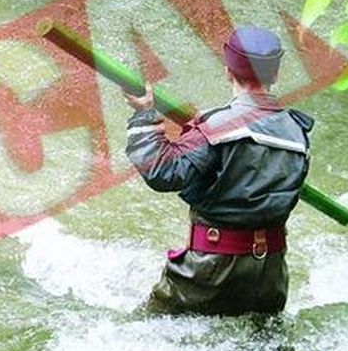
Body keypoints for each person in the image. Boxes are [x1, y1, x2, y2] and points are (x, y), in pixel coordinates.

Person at [124, 25, 312, 316]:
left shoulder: (219, 126)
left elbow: (162, 172)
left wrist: (144, 115)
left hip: (211, 270)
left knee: (146, 332)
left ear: (228, 71)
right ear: (275, 74)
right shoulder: (298, 132)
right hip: (270, 274)